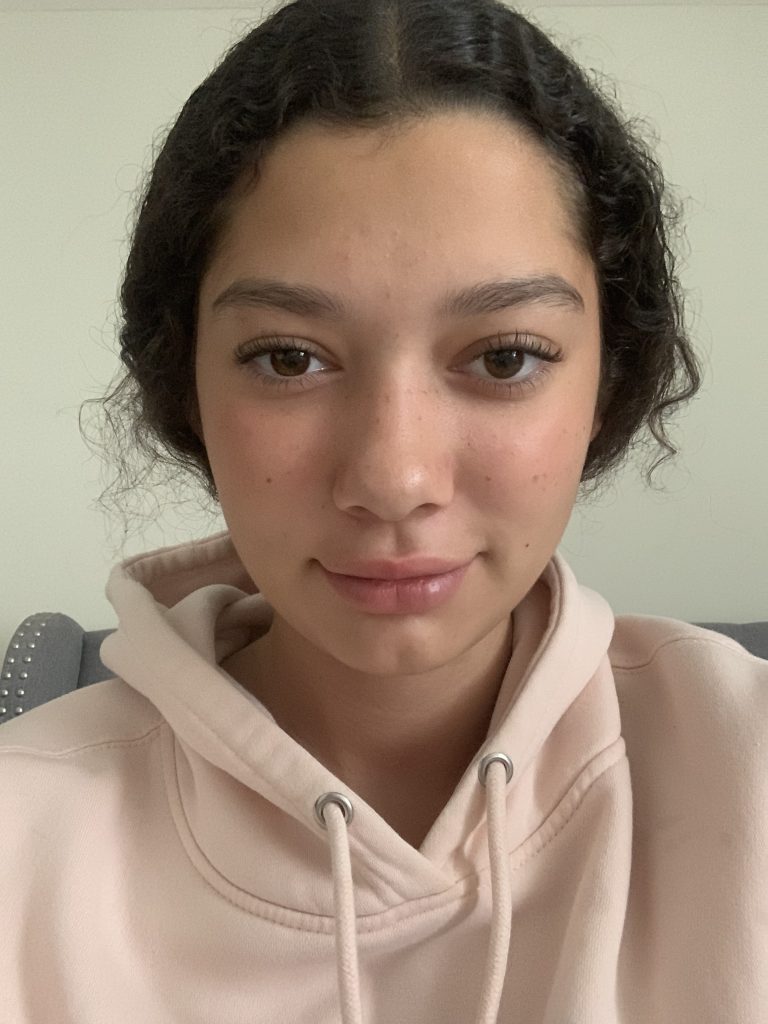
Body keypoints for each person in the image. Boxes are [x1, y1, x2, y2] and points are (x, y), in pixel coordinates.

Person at [1, 1, 766, 1021]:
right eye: (289, 359)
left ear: (608, 380)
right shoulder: (22, 841)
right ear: (184, 384)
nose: (396, 477)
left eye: (505, 357)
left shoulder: (744, 771)